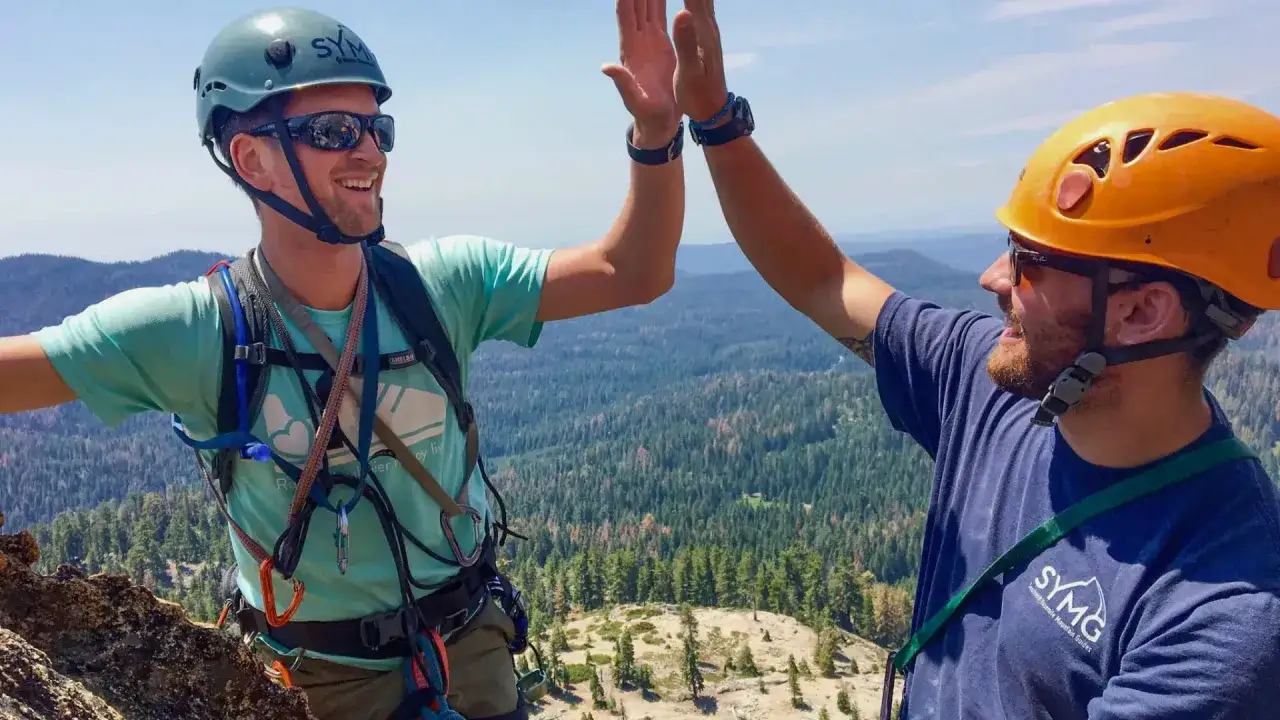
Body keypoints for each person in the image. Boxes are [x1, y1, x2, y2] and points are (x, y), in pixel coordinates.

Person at [0, 3, 685, 719]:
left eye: (376, 128)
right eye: (333, 132)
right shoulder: (196, 329)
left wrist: (658, 135)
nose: (371, 153)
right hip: (317, 683)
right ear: (250, 158)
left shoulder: (444, 285)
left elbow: (633, 271)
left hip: (469, 654)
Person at [668, 1, 1280, 718]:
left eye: (1028, 262)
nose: (992, 279)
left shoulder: (1221, 611)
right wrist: (714, 120)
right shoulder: (999, 386)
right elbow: (822, 281)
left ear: (1142, 311)